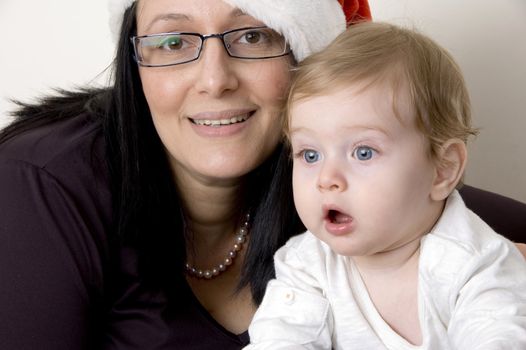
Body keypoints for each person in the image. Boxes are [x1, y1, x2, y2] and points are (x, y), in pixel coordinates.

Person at [0, 0, 523, 349]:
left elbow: (429, 193)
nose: (214, 80)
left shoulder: (330, 184)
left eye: (251, 35)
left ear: (308, 64)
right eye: (174, 42)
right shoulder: (42, 185)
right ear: (134, 63)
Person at [245, 22, 526, 349]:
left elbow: (500, 338)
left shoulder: (479, 264)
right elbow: (279, 341)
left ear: (442, 170)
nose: (326, 179)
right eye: (310, 154)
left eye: (363, 152)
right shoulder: (307, 264)